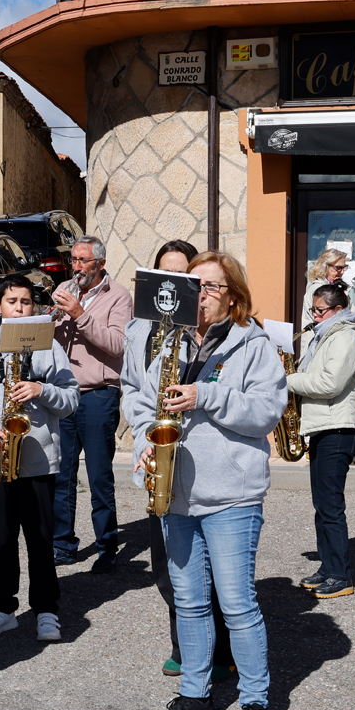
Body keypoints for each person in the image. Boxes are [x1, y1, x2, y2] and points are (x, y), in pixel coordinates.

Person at [131, 250, 288, 710]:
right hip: (176, 492)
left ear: (233, 296)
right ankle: (195, 696)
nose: (199, 295)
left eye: (211, 287)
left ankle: (256, 705)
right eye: (192, 285)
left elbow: (265, 412)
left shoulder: (253, 346)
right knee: (190, 602)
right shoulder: (172, 341)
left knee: (237, 604)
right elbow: (140, 401)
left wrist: (206, 395)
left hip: (231, 495)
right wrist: (142, 446)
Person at [123, 239, 232, 678]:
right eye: (163, 276)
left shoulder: (208, 329)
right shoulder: (138, 330)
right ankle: (184, 646)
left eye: (182, 276)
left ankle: (221, 650)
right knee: (167, 564)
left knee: (210, 564)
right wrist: (144, 438)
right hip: (158, 455)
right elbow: (132, 389)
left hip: (204, 462)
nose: (171, 284)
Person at [0, 274, 79, 643]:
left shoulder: (48, 346)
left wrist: (42, 389)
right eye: (12, 302)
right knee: (1, 538)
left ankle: (46, 609)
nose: (19, 308)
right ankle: (3, 609)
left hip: (39, 458)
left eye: (26, 302)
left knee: (41, 537)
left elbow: (71, 398)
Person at [50, 234, 132, 573]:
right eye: (74, 260)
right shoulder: (66, 289)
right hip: (64, 393)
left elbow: (117, 344)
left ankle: (106, 547)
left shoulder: (119, 296)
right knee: (62, 474)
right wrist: (49, 319)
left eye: (83, 261)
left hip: (99, 393)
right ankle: (63, 544)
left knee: (98, 475)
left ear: (100, 264)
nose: (77, 267)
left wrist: (80, 314)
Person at [286, 279, 355, 599]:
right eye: (313, 310)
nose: (314, 316)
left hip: (339, 429)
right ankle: (327, 566)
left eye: (320, 311)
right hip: (323, 426)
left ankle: (340, 575)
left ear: (337, 310)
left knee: (331, 505)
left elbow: (330, 383)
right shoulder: (323, 337)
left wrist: (286, 380)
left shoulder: (345, 338)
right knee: (322, 504)